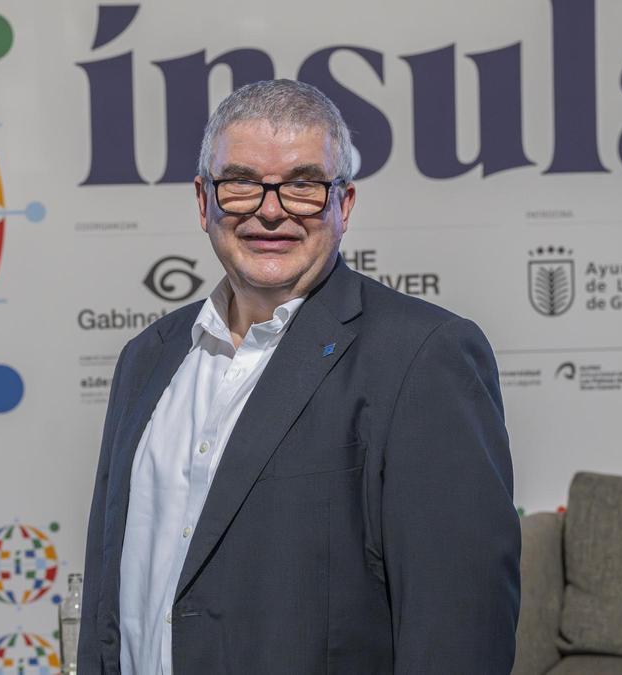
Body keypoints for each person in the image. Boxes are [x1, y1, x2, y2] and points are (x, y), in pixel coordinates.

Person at [78, 79, 519, 674]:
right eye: (241, 183)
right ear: (204, 201)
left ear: (345, 204)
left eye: (304, 185)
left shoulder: (421, 356)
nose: (270, 210)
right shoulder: (146, 359)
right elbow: (116, 586)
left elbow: (460, 627)